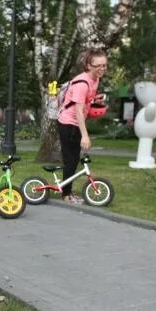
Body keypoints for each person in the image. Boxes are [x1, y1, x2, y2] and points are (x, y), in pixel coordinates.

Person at [56, 49, 107, 203]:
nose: (102, 69)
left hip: (76, 122)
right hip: (68, 123)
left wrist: (94, 100)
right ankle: (66, 194)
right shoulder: (82, 83)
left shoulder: (95, 79)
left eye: (104, 65)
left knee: (74, 159)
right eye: (98, 66)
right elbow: (78, 110)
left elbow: (84, 102)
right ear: (88, 65)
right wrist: (85, 135)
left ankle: (67, 191)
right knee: (71, 160)